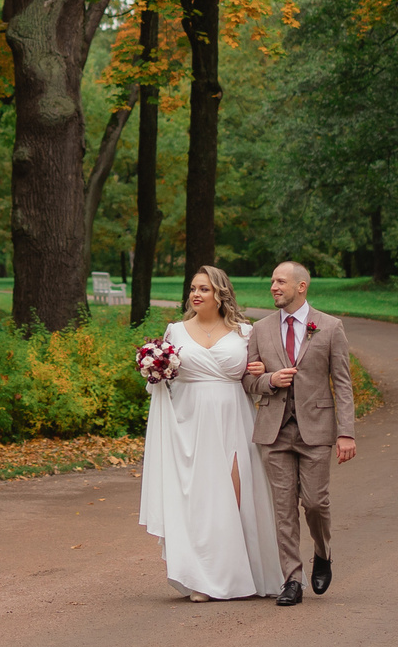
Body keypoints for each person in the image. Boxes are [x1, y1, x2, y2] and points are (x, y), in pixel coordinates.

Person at [137, 266, 283, 600]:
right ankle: (202, 578)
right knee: (198, 498)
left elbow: (257, 381)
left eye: (204, 289)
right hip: (189, 423)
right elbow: (165, 380)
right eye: (193, 289)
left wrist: (261, 371)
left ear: (220, 294)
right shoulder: (175, 332)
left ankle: (238, 575)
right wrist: (155, 369)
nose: (196, 295)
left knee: (235, 494)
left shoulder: (245, 333)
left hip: (234, 418)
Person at [242, 260, 354, 607]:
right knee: (283, 507)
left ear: (301, 286)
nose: (274, 287)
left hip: (316, 430)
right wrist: (269, 380)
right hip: (274, 431)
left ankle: (323, 552)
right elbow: (247, 381)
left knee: (316, 503)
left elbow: (343, 384)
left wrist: (346, 433)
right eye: (272, 282)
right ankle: (292, 579)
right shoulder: (259, 329)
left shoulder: (331, 328)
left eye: (280, 282)